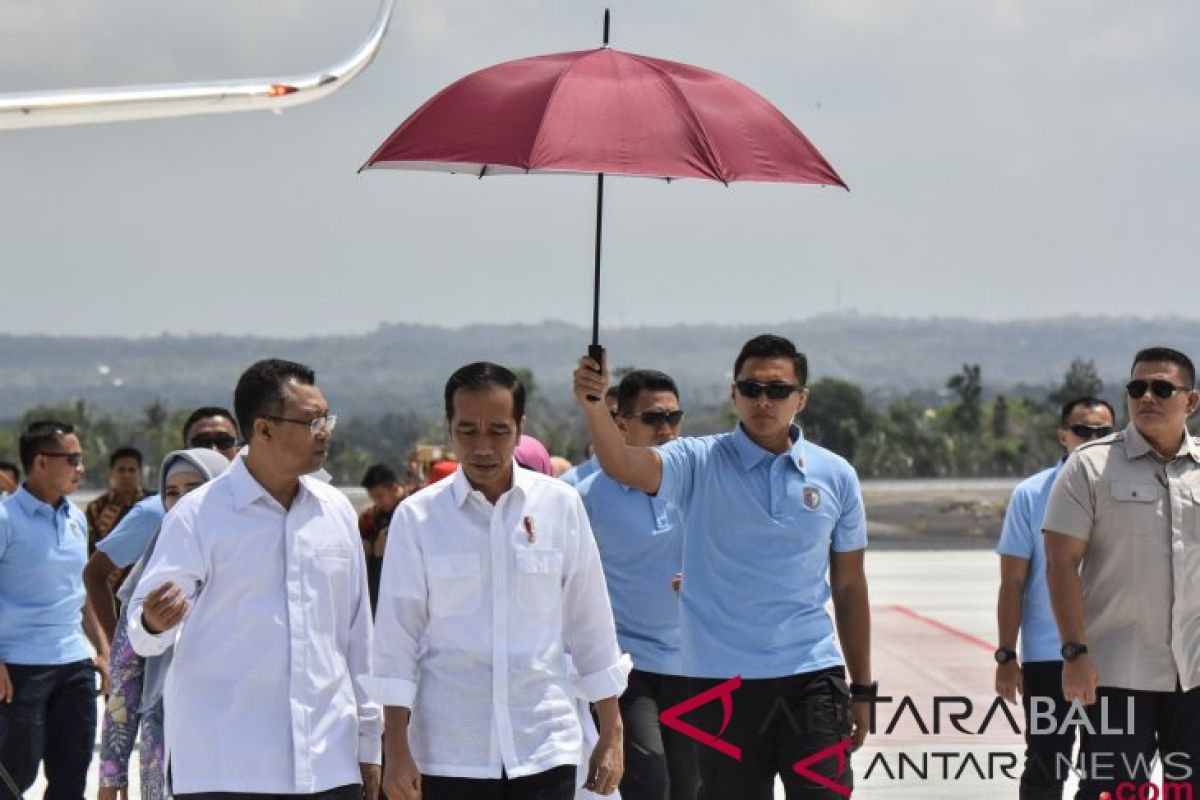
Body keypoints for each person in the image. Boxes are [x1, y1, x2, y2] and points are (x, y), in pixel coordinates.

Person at [573, 334, 873, 800]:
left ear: (802, 398)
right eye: (750, 389)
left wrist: (863, 688)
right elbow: (622, 464)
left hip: (813, 677)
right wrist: (595, 405)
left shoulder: (836, 475)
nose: (763, 401)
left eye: (777, 390)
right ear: (733, 394)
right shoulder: (696, 460)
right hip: (721, 688)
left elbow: (850, 587)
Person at [128, 359, 381, 799]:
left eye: (327, 418)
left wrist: (370, 742)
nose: (326, 431)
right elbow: (143, 636)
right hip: (227, 767)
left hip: (329, 764)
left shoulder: (336, 511)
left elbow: (358, 636)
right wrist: (153, 622)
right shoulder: (197, 516)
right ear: (263, 430)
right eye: (312, 421)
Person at [373, 362, 627, 800]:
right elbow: (396, 639)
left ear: (520, 427)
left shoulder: (559, 505)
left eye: (498, 430)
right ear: (449, 427)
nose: (483, 446)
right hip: (450, 751)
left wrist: (612, 730)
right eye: (468, 430)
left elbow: (590, 621)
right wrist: (395, 747)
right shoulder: (417, 518)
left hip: (544, 742)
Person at [1044, 347, 1200, 799]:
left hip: (1194, 675)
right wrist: (1073, 653)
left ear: (1190, 401)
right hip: (1115, 677)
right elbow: (1060, 564)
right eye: (1137, 387)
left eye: (1162, 388)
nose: (1147, 396)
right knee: (1111, 791)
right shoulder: (1089, 466)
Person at [575, 370, 698, 800]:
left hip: (697, 664)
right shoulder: (585, 497)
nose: (666, 429)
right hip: (630, 667)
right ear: (620, 422)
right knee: (651, 779)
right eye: (652, 418)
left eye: (673, 417)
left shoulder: (701, 484)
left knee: (693, 786)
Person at [994, 396, 1115, 800]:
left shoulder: (1129, 493)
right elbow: (1012, 582)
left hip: (1115, 658)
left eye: (1103, 432)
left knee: (1109, 772)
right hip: (1049, 660)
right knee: (1047, 766)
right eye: (1083, 430)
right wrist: (1007, 656)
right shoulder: (1031, 495)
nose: (1092, 439)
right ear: (1063, 435)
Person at [98, 448, 231, 800]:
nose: (183, 501)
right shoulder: (153, 572)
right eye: (172, 492)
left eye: (195, 488)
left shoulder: (250, 564)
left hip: (240, 750)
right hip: (167, 751)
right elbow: (125, 680)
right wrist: (111, 776)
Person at [0, 421, 110, 799]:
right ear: (42, 462)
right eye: (74, 459)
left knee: (71, 781)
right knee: (12, 781)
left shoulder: (76, 518)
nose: (81, 468)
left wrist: (104, 651)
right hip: (18, 670)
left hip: (75, 666)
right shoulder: (4, 519)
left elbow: (80, 593)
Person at [83, 407, 241, 643]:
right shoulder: (156, 513)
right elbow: (95, 573)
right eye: (202, 442)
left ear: (239, 447)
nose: (214, 449)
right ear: (185, 448)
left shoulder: (254, 510)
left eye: (224, 440)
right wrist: (117, 648)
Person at [359, 463, 406, 614]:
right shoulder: (370, 517)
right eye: (373, 497)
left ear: (394, 487)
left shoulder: (411, 510)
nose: (377, 502)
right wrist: (368, 547)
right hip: (377, 584)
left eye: (380, 496)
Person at [86, 446, 147, 555]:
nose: (126, 475)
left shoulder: (153, 504)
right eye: (121, 470)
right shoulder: (96, 509)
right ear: (110, 473)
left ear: (140, 473)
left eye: (131, 470)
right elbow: (89, 549)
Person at [562, 388, 619, 487]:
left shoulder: (647, 483)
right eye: (613, 415)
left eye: (629, 415)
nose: (622, 422)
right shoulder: (569, 485)